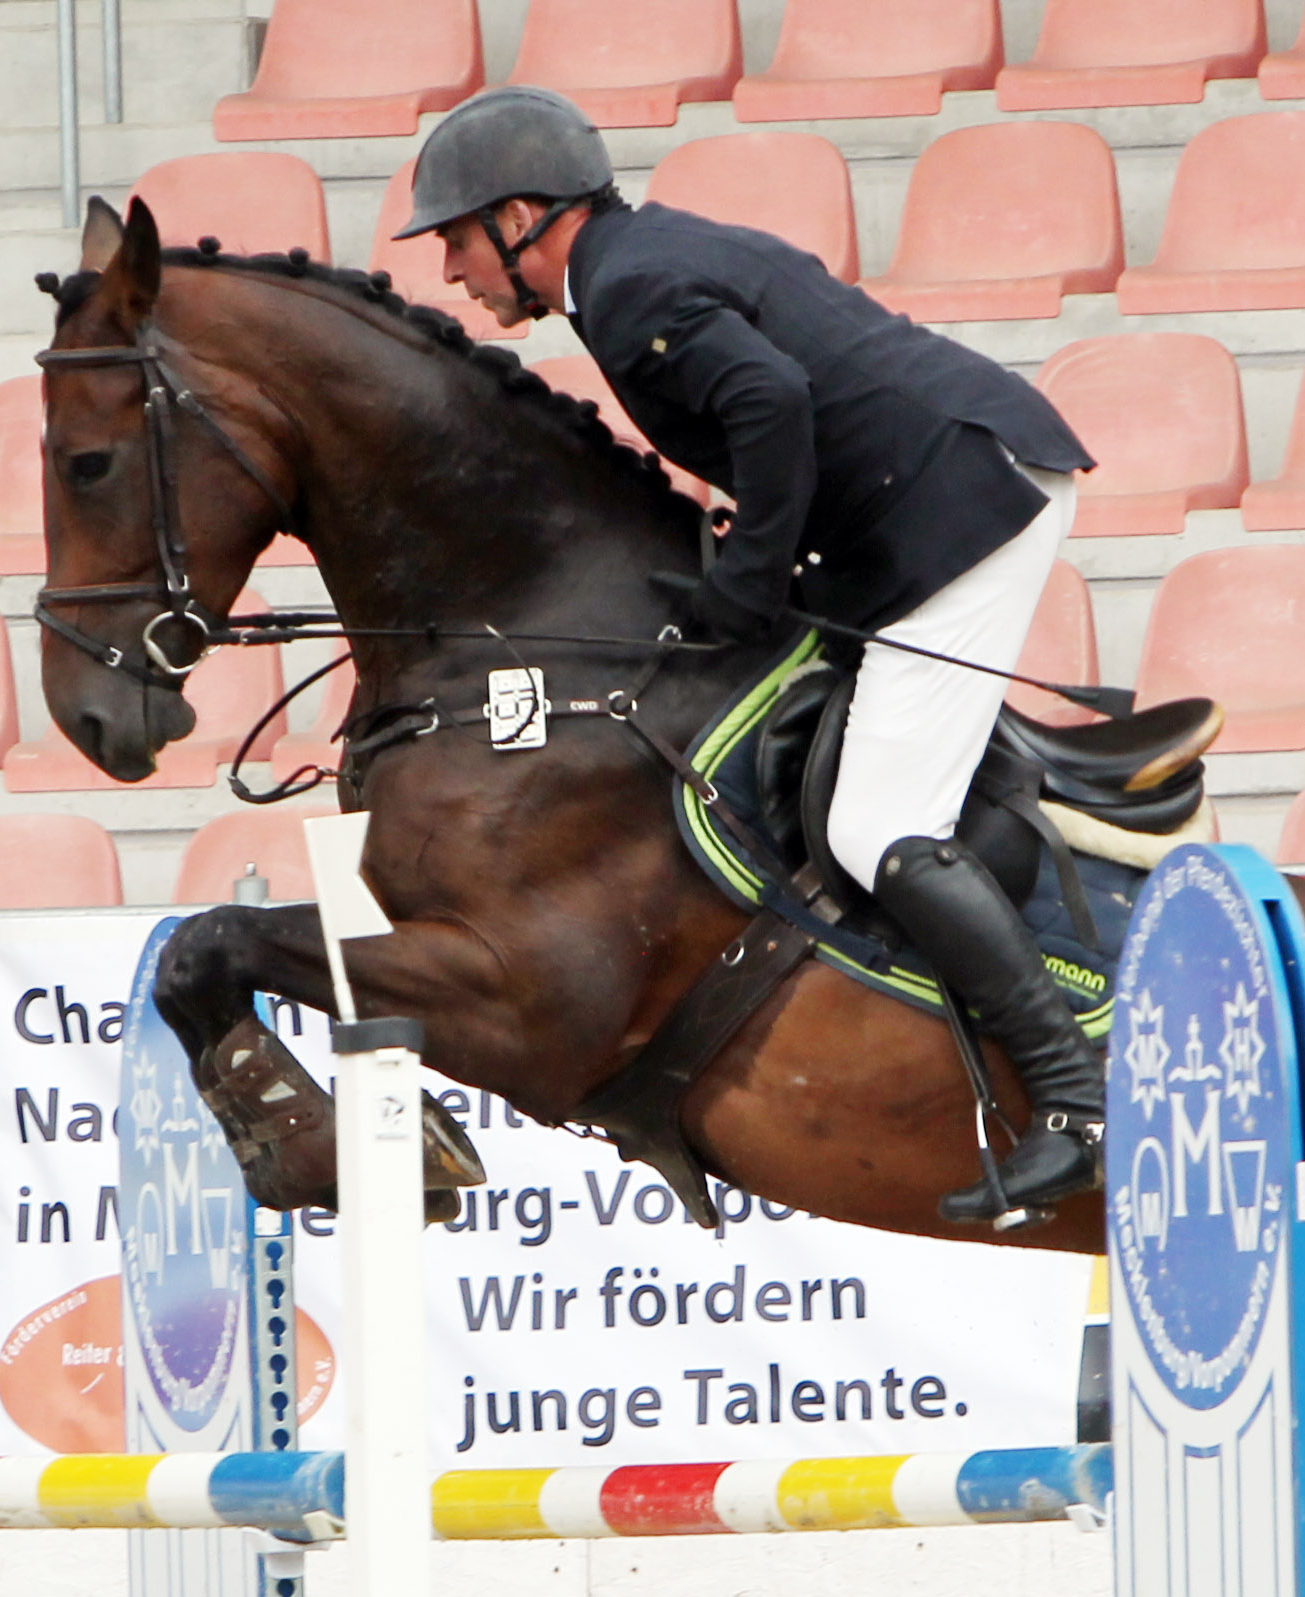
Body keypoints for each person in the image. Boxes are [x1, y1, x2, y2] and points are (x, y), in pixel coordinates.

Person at [398, 85, 1104, 1224]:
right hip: (918, 498)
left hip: (963, 504)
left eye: (456, 239)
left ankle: (1076, 1101)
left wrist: (749, 578)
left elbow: (770, 400)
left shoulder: (626, 285)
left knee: (880, 828)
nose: (450, 273)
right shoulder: (629, 267)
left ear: (522, 216)